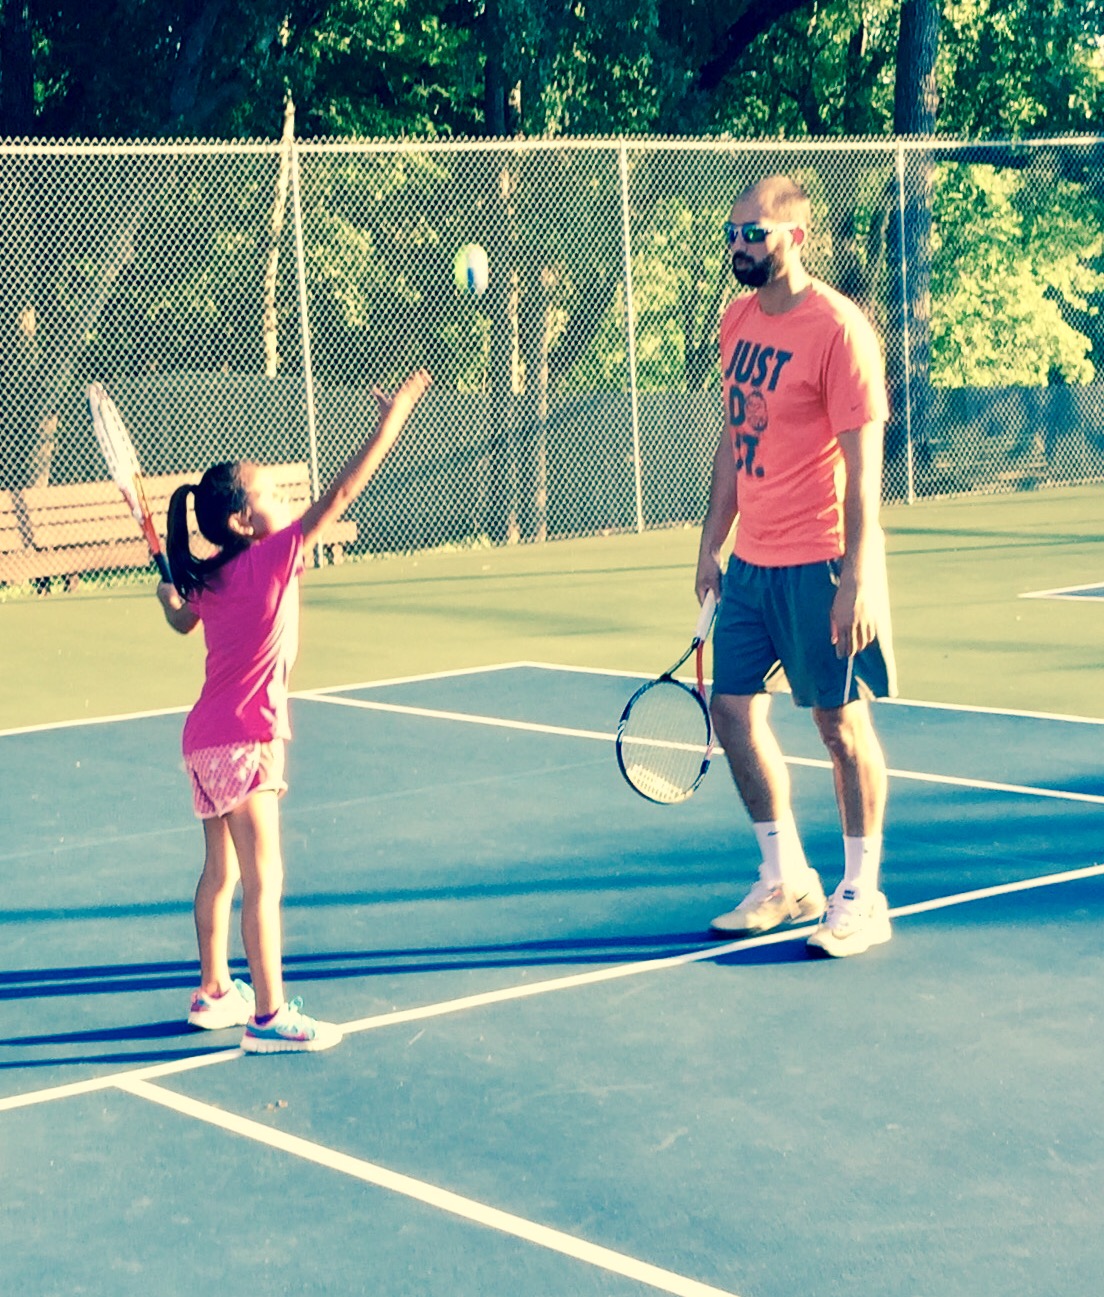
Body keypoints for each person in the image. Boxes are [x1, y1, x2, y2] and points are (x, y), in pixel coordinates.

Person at [157, 370, 431, 1050]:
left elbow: (178, 621)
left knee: (219, 872)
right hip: (247, 740)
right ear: (246, 520)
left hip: (203, 743)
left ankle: (214, 990)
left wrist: (166, 584)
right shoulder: (272, 558)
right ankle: (269, 1015)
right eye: (272, 493)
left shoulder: (211, 577)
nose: (285, 500)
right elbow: (343, 491)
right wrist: (389, 421)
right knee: (263, 876)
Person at [695, 175, 895, 958]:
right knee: (732, 711)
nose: (741, 246)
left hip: (821, 562)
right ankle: (785, 877)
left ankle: (860, 892)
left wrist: (857, 577)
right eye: (733, 232)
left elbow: (865, 470)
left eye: (755, 233)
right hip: (751, 563)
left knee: (839, 727)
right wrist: (711, 542)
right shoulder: (736, 320)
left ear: (795, 238)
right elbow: (732, 435)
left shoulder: (840, 332)